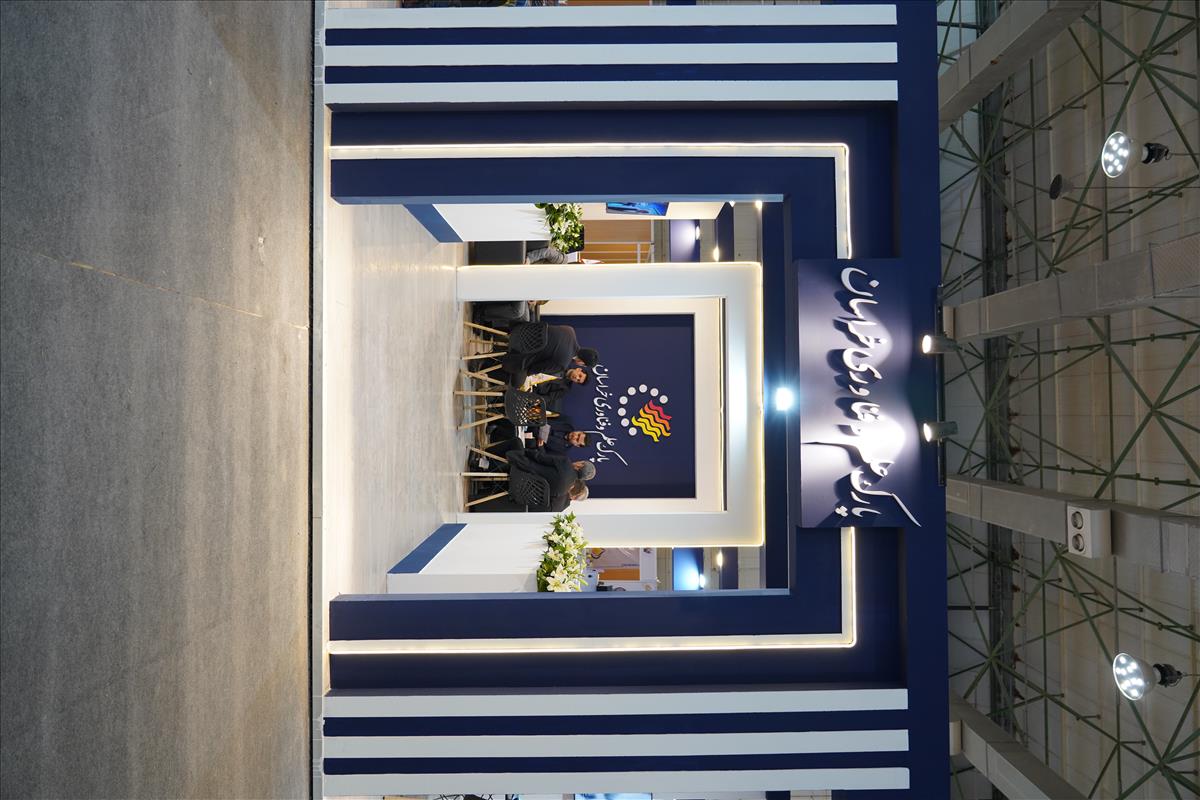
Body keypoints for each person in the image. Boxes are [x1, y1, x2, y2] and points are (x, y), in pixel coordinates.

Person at [501, 323, 598, 387]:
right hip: (519, 354)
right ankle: (495, 362)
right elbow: (534, 369)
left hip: (522, 331)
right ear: (581, 363)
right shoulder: (562, 364)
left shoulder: (569, 330)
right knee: (518, 383)